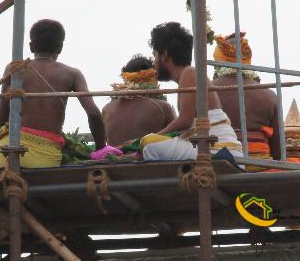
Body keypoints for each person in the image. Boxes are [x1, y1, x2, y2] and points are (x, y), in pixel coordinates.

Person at [0, 19, 115, 188]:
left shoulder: (14, 68)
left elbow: (3, 115)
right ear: (60, 48)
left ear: (31, 47)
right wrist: (100, 148)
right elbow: (94, 114)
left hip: (10, 150)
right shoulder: (72, 74)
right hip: (47, 157)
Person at [140, 22, 243, 161]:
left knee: (149, 143)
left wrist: (146, 139)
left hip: (219, 150)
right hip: (214, 148)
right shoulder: (188, 75)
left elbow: (185, 121)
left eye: (155, 55)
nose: (153, 62)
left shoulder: (189, 73)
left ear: (164, 55)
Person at [211, 32, 282, 166]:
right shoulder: (269, 95)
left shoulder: (206, 91)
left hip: (219, 166)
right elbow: (279, 152)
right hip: (261, 169)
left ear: (218, 61)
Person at [101, 54, 175, 147]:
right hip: (148, 158)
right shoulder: (163, 106)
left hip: (114, 158)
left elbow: (104, 139)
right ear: (152, 79)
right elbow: (177, 135)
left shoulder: (107, 108)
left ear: (125, 79)